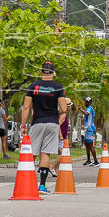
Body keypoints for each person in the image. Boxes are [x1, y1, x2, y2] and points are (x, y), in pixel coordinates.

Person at [21, 61, 68, 194]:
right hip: (52, 123)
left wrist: (23, 125)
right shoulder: (58, 87)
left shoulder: (33, 86)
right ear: (53, 73)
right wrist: (55, 113)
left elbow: (26, 107)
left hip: (37, 123)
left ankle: (26, 183)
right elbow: (64, 108)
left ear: (41, 72)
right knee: (45, 153)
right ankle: (42, 185)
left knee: (32, 153)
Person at [82, 96, 99, 166]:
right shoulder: (88, 109)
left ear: (89, 103)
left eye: (86, 102)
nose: (85, 102)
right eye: (85, 101)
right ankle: (88, 160)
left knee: (91, 145)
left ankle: (96, 161)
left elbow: (87, 114)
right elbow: (87, 116)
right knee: (86, 144)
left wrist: (80, 109)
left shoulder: (89, 109)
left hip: (90, 128)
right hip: (88, 128)